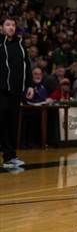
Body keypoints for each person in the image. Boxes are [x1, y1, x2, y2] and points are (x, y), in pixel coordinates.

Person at [0, 16, 34, 168]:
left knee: (12, 124)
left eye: (13, 25)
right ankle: (8, 155)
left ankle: (10, 157)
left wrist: (30, 85)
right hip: (1, 91)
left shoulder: (20, 44)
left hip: (16, 92)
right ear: (2, 27)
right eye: (8, 25)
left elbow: (27, 65)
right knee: (3, 123)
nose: (11, 27)